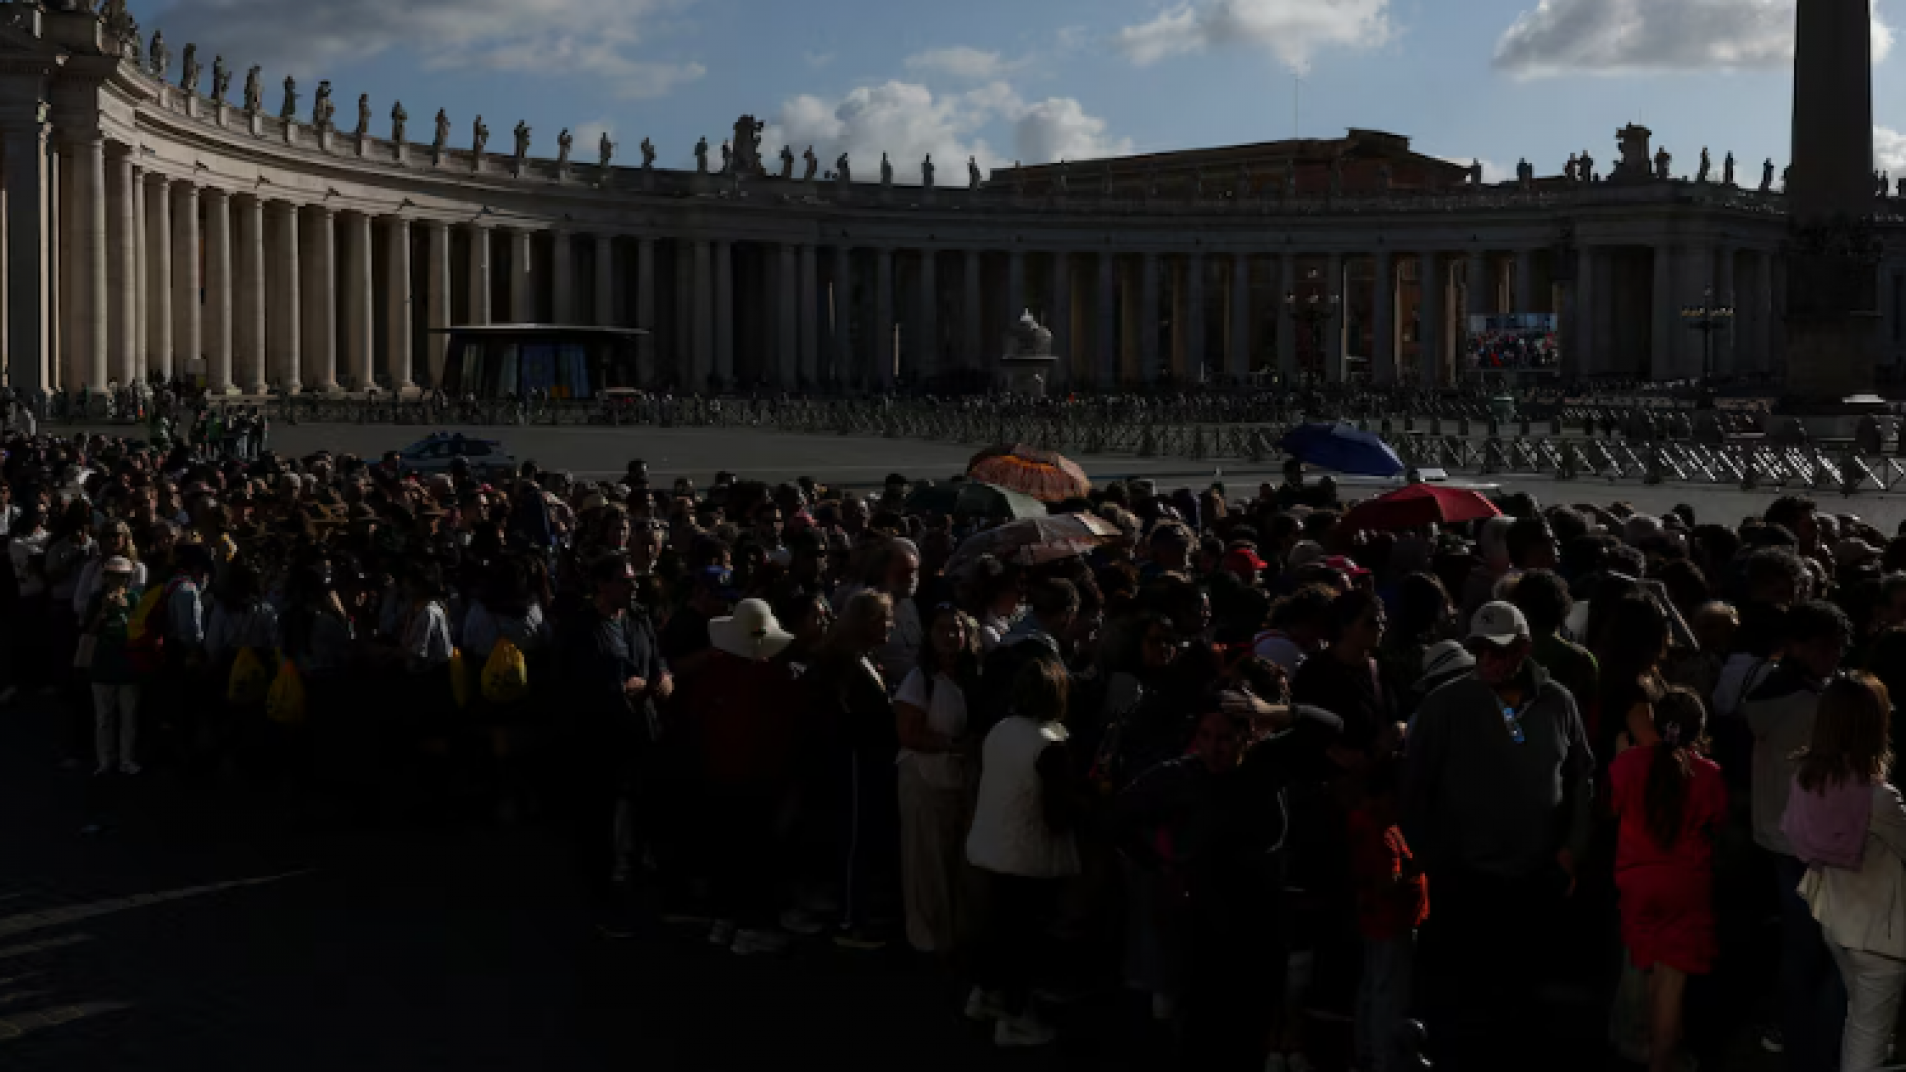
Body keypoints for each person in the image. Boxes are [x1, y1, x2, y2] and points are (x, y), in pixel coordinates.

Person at [1401, 601, 1594, 1072]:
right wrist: (1432, 860)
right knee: (1464, 1005)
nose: (1488, 659)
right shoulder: (1445, 704)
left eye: (1498, 649)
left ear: (1524, 649)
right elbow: (1413, 789)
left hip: (1535, 877)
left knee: (1524, 999)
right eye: (1480, 649)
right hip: (1466, 882)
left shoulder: (1557, 701)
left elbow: (1582, 779)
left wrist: (1572, 851)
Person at [1745, 599, 1854, 1072]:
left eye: (1838, 647)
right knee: (1817, 944)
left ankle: (1789, 1027)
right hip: (1810, 839)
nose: (1833, 656)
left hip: (1776, 832)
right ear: (1796, 647)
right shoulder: (1812, 706)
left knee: (1801, 940)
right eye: (1824, 647)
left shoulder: (1766, 690)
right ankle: (1802, 1034)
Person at [1784, 672, 1906, 1072]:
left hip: (1837, 922)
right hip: (1880, 936)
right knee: (1866, 1040)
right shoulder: (1879, 800)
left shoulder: (1807, 780)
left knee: (1859, 1022)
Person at [1608, 687, 1725, 1072]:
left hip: (1637, 884)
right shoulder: (1708, 775)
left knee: (1639, 965)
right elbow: (1716, 823)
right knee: (1670, 982)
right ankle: (1663, 1060)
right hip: (1685, 886)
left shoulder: (1626, 765)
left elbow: (1612, 807)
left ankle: (1633, 1045)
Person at [964, 660, 1078, 1048]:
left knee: (994, 932)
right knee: (1023, 940)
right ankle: (1015, 1019)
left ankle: (984, 996)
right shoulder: (1051, 746)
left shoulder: (1000, 730)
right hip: (1028, 857)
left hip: (989, 846)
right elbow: (1058, 817)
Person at [892, 603, 980, 956]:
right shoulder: (919, 680)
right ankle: (926, 936)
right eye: (942, 629)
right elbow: (908, 733)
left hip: (955, 782)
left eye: (956, 629)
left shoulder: (969, 677)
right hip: (924, 780)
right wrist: (952, 745)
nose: (951, 636)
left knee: (952, 862)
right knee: (925, 862)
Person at [1350, 755, 1427, 1072]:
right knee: (1385, 994)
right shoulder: (1375, 829)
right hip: (1388, 923)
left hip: (1388, 921)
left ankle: (1374, 1052)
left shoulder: (1383, 825)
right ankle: (1381, 1059)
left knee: (1376, 989)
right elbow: (1386, 881)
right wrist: (1414, 871)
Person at [84, 556, 143, 775]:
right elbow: (87, 632)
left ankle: (127, 759)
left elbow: (140, 632)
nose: (117, 582)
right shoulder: (96, 598)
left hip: (128, 665)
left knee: (129, 717)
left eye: (122, 578)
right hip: (102, 664)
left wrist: (127, 611)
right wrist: (102, 612)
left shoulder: (135, 599)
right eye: (113, 577)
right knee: (104, 718)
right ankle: (105, 760)